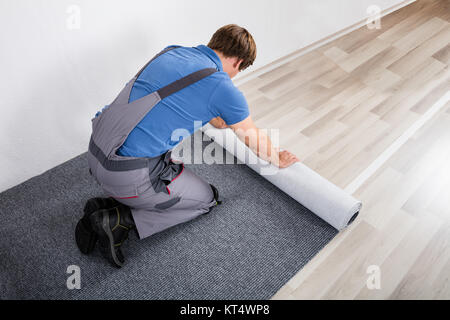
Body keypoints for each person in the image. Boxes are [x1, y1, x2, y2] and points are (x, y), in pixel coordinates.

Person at [75, 24, 299, 267]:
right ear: (239, 63)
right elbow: (252, 137)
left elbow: (167, 96)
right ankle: (119, 219)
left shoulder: (171, 51)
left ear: (215, 42)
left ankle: (113, 200)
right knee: (206, 198)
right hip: (124, 175)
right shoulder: (222, 86)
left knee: (159, 156)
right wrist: (277, 158)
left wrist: (215, 115)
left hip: (96, 153)